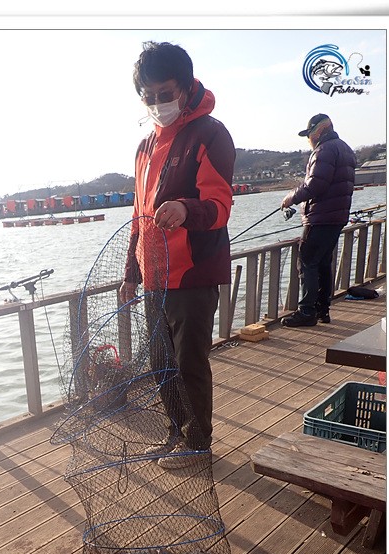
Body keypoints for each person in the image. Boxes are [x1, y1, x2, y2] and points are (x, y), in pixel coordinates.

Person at [119, 41, 235, 469]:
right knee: (160, 364)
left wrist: (186, 209)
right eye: (148, 96)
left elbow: (219, 206)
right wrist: (131, 273)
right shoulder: (144, 147)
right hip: (154, 276)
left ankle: (198, 442)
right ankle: (176, 432)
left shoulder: (210, 134)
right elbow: (139, 215)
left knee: (189, 364)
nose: (157, 103)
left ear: (185, 88)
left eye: (165, 93)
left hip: (192, 274)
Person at [281, 113, 356, 327]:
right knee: (322, 263)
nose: (309, 139)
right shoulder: (345, 148)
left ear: (320, 130)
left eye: (309, 133)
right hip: (337, 217)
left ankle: (307, 312)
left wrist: (291, 197)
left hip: (321, 217)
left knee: (307, 262)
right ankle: (323, 309)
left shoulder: (325, 150)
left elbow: (315, 184)